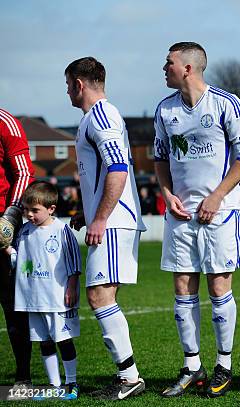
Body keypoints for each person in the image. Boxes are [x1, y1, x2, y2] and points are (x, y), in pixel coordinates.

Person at [154, 42, 240, 398]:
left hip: (221, 212)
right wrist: (167, 195)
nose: (163, 68)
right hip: (180, 214)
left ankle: (224, 366)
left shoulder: (227, 104)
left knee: (218, 287)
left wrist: (216, 197)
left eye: (169, 62)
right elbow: (160, 159)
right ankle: (192, 366)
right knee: (183, 287)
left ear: (187, 68)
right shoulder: (165, 109)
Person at [65, 56, 147, 400]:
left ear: (80, 84)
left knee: (100, 296)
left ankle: (129, 378)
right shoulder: (94, 117)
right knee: (101, 296)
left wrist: (100, 217)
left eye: (68, 84)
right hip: (108, 219)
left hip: (114, 223)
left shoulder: (100, 115)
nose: (67, 91)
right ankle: (127, 376)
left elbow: (117, 168)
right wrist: (89, 212)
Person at [10, 181, 81, 399]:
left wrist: (71, 287)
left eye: (35, 210)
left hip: (57, 296)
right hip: (34, 297)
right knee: (44, 341)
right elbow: (24, 263)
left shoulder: (61, 230)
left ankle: (71, 383)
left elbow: (74, 263)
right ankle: (53, 385)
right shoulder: (25, 231)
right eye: (26, 210)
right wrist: (8, 250)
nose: (29, 214)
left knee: (63, 340)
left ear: (51, 209)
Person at [0, 108, 34, 387]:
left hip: (2, 236)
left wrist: (9, 217)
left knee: (13, 310)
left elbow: (24, 173)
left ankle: (23, 375)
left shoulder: (6, 123)